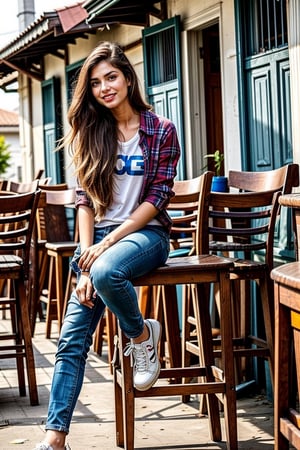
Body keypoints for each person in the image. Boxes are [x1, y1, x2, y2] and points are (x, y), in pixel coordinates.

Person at [33, 41, 180, 450]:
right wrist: (84, 257)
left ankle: (136, 337)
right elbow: (84, 203)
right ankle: (55, 438)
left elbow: (157, 199)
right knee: (71, 339)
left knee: (103, 270)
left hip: (146, 236)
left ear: (128, 78)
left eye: (111, 77)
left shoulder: (161, 131)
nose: (104, 87)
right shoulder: (89, 132)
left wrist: (101, 253)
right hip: (96, 241)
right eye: (95, 82)